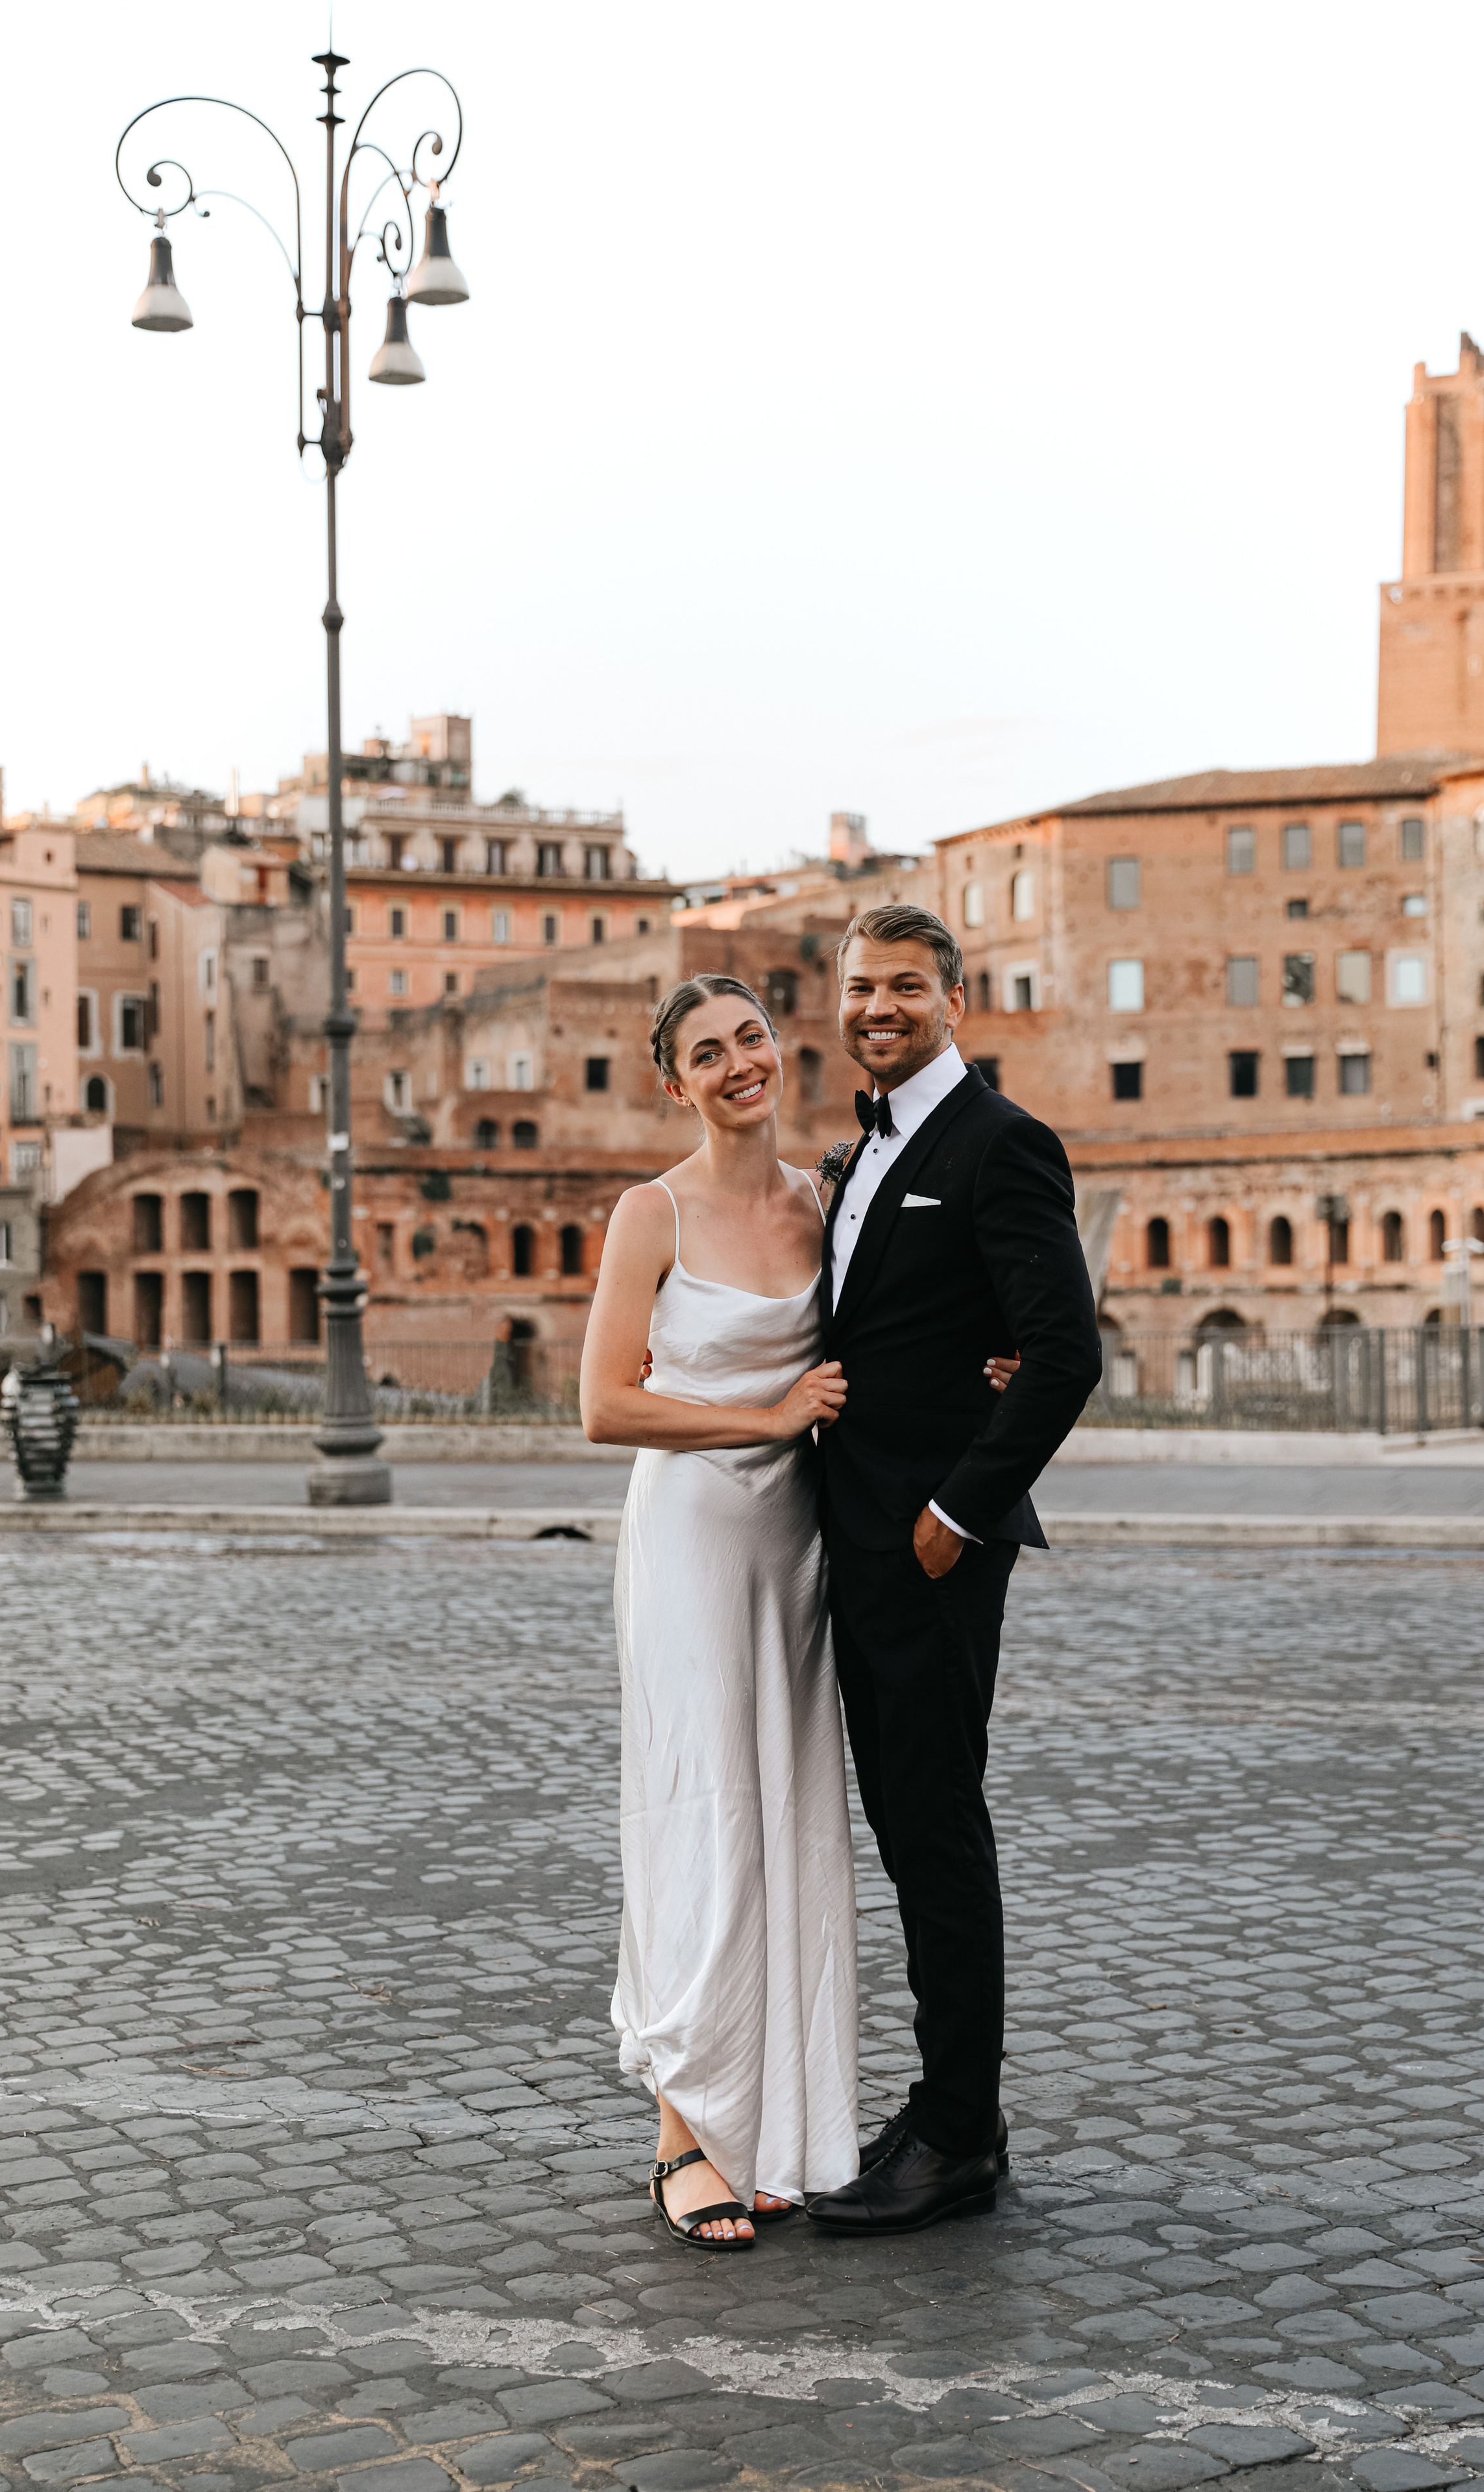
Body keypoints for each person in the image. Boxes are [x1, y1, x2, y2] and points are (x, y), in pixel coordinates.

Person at [580, 971, 1020, 2252]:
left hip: (798, 1549)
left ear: (781, 1049)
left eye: (752, 1038)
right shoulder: (646, 1212)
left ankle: (760, 2127)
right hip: (691, 1545)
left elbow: (900, 1329)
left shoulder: (824, 1203)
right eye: (705, 1053)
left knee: (781, 1821)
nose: (736, 1065)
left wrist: (992, 1363)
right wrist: (759, 1420)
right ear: (674, 1083)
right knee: (698, 1812)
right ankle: (680, 2127)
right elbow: (604, 1405)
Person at [802, 901, 1102, 2238]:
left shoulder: (1000, 1143)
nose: (878, 1008)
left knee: (934, 1831)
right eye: (861, 988)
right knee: (908, 1830)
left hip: (923, 1552)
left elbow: (1062, 1354)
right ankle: (941, 2107)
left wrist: (954, 1516)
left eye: (904, 988)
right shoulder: (853, 1153)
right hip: (847, 1540)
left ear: (953, 1003)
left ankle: (959, 2133)